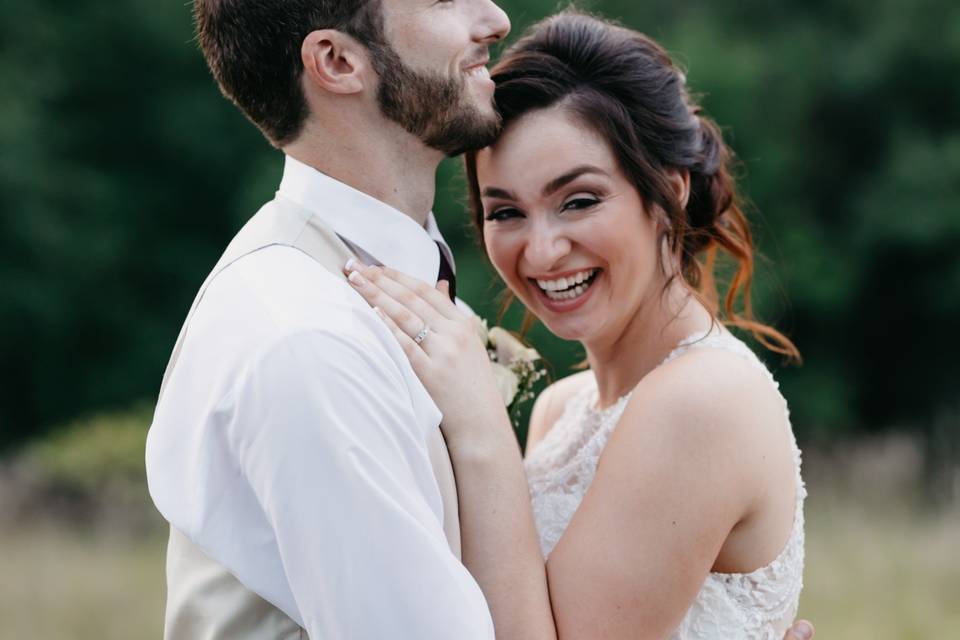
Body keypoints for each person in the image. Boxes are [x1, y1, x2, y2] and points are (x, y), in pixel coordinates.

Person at [345, 9, 812, 639]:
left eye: (579, 201)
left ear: (668, 191)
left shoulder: (703, 401)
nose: (540, 252)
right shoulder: (561, 410)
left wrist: (480, 426)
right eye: (505, 211)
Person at [145, 1, 513, 638]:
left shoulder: (393, 294)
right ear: (338, 62)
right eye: (444, 0)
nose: (496, 17)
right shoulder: (307, 339)